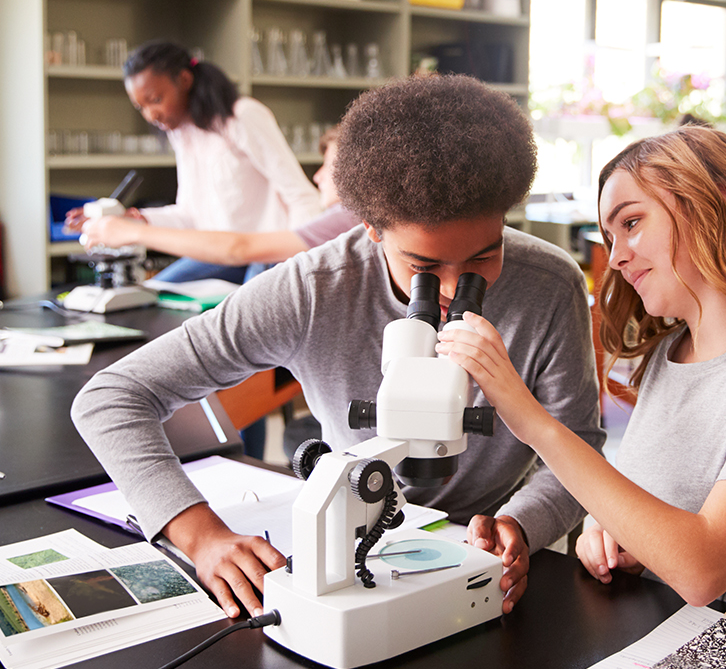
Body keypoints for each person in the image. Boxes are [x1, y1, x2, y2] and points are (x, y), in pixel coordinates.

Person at [71, 74, 604, 620]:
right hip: (352, 530)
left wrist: (521, 524)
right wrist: (198, 534)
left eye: (481, 261)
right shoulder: (313, 287)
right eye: (424, 267)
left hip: (489, 544)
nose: (450, 290)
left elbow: (577, 440)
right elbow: (112, 397)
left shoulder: (550, 282)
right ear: (371, 227)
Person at [437, 126, 726, 628]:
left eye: (632, 223)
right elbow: (655, 509)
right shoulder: (669, 353)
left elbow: (702, 570)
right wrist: (608, 532)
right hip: (649, 633)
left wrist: (529, 417)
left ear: (718, 201)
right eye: (610, 237)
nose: (616, 258)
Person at [65, 40, 321, 282]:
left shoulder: (242, 116)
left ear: (185, 80)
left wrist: (299, 266)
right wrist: (130, 218)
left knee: (247, 315)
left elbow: (301, 197)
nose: (150, 114)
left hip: (265, 253)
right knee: (155, 292)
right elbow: (189, 215)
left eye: (155, 100)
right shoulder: (181, 134)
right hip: (219, 253)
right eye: (140, 107)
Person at [79, 125, 360, 263]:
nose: (317, 176)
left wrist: (132, 233)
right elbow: (189, 212)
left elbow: (239, 249)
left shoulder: (348, 217)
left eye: (328, 166)